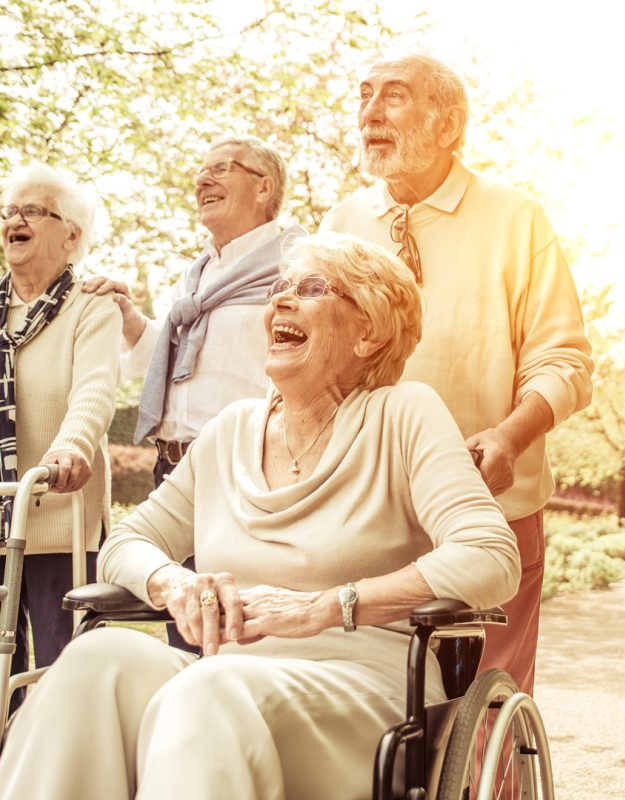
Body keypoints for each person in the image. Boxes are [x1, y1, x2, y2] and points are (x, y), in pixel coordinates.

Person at [0, 232, 521, 799]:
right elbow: (128, 539)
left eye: (313, 288)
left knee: (209, 688)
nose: (281, 301)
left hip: (357, 690)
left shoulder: (404, 414)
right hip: (220, 684)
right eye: (279, 288)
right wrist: (173, 583)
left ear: (369, 332)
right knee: (95, 660)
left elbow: (489, 555)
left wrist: (327, 607)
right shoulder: (230, 429)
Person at [321, 54, 593, 694]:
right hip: (364, 505)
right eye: (365, 97)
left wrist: (510, 437)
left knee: (483, 704)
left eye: (393, 96)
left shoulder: (515, 218)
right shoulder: (342, 225)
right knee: (364, 700)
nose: (370, 113)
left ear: (448, 125)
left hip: (484, 502)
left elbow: (566, 361)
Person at [83, 135, 304, 652]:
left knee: (242, 629)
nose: (202, 180)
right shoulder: (199, 274)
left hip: (247, 471)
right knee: (186, 620)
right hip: (177, 469)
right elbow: (183, 355)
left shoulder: (294, 265)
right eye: (200, 170)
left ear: (263, 185)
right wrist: (130, 317)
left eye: (221, 169)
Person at [0, 163, 120, 713]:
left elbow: (94, 391)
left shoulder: (90, 307)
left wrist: (70, 448)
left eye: (30, 211)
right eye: (7, 212)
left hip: (55, 514)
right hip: (2, 512)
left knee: (62, 669)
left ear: (71, 234)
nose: (12, 221)